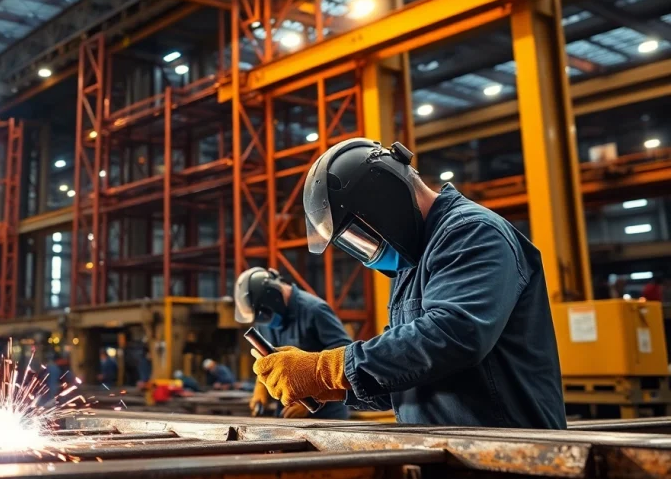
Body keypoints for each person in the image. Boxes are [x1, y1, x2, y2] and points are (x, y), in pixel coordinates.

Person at [252, 138, 566, 429]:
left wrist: (327, 368)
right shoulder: (412, 262)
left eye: (361, 238)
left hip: (508, 453)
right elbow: (411, 374)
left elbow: (454, 336)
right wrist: (332, 388)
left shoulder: (473, 233)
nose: (366, 256)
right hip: (452, 452)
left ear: (386, 203)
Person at [235, 267, 352, 419]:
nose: (266, 320)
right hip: (287, 414)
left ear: (273, 297)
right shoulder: (264, 319)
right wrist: (261, 386)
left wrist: (313, 395)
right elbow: (269, 357)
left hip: (327, 416)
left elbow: (345, 356)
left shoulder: (315, 310)